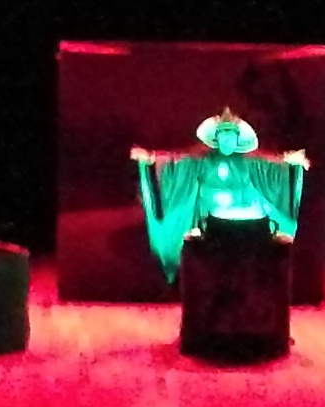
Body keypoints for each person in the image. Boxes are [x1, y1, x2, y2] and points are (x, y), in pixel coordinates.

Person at [130, 107, 309, 283]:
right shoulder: (204, 158)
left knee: (257, 248)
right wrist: (151, 156)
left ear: (237, 140)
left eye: (231, 137)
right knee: (204, 252)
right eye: (224, 136)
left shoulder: (247, 160)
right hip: (210, 219)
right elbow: (179, 156)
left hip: (243, 219)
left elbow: (269, 159)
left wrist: (289, 158)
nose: (227, 141)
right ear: (216, 138)